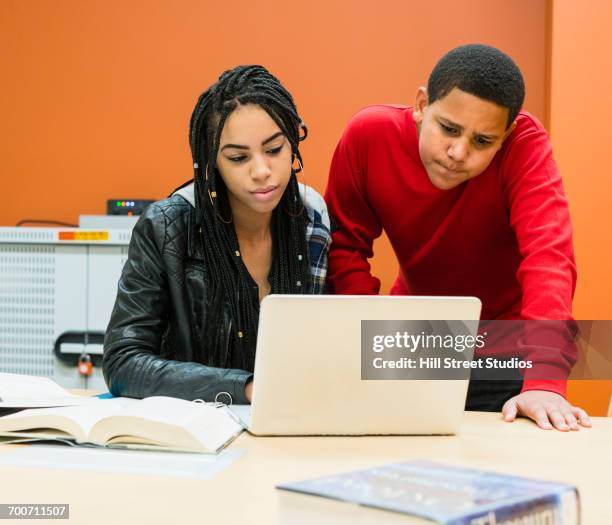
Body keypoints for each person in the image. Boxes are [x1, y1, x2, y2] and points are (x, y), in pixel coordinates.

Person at [325, 44, 591, 431]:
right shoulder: (369, 135)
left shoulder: (524, 145)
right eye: (448, 129)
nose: (458, 152)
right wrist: (368, 340)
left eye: (483, 141)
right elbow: (344, 245)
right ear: (421, 104)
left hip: (507, 351)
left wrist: (546, 380)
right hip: (413, 344)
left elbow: (548, 258)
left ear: (506, 134)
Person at [103, 65, 330, 404]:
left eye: (275, 149)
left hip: (285, 423)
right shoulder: (166, 227)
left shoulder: (310, 217)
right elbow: (123, 362)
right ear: (213, 163)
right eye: (238, 158)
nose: (262, 171)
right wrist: (247, 389)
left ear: (293, 142)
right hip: (190, 433)